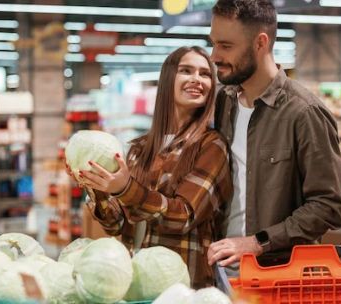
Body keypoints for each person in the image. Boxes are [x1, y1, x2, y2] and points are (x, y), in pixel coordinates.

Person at [73, 46, 233, 288]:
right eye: (186, 71)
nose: (196, 80)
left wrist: (126, 188)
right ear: (168, 79)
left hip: (183, 289)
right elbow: (115, 225)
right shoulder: (141, 149)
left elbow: (183, 216)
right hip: (136, 283)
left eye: (205, 74)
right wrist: (97, 185)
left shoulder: (211, 146)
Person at [206, 0, 341, 272]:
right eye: (213, 43)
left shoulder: (304, 113)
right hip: (223, 272)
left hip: (281, 277)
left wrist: (258, 243)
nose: (214, 56)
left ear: (260, 43)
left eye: (226, 46)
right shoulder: (224, 102)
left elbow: (329, 205)